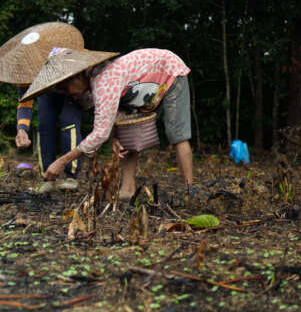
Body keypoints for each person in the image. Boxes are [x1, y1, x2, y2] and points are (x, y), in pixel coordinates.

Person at [20, 47, 195, 199]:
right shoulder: (96, 80)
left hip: (168, 71)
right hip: (140, 87)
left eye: (67, 89)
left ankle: (189, 190)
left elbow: (100, 133)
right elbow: (113, 114)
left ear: (77, 77)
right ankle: (127, 190)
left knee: (177, 135)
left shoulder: (103, 82)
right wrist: (116, 137)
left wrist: (62, 161)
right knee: (128, 138)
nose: (70, 95)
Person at [0, 22, 86, 193]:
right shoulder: (25, 69)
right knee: (44, 124)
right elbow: (25, 101)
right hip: (48, 92)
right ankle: (47, 177)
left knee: (68, 122)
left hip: (72, 88)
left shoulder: (65, 50)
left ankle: (72, 176)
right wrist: (22, 129)